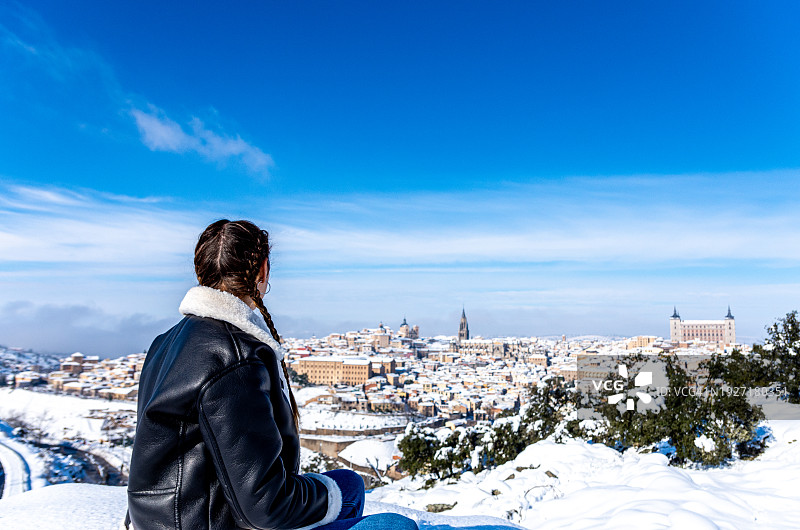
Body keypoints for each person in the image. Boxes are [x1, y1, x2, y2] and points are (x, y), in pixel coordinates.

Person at [126, 220, 418, 530]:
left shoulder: (166, 342)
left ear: (201, 273)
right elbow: (266, 506)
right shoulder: (234, 356)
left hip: (167, 518)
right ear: (262, 270)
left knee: (348, 485)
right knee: (395, 525)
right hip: (213, 522)